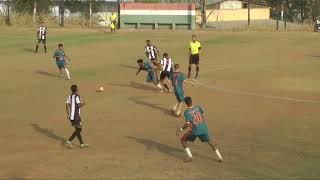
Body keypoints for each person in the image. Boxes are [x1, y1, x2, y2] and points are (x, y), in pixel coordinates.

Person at [176, 96, 223, 162]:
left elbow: (187, 124)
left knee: (183, 140)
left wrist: (180, 129)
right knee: (210, 142)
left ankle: (190, 156)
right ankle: (220, 157)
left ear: (186, 103)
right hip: (203, 129)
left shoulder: (186, 112)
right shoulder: (198, 107)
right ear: (191, 101)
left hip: (194, 131)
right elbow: (202, 115)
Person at [65, 85, 89, 149]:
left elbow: (67, 105)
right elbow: (79, 105)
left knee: (77, 129)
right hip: (76, 116)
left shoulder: (69, 96)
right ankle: (69, 140)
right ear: (76, 90)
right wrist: (83, 103)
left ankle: (81, 144)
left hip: (71, 116)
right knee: (79, 129)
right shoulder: (77, 96)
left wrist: (68, 114)